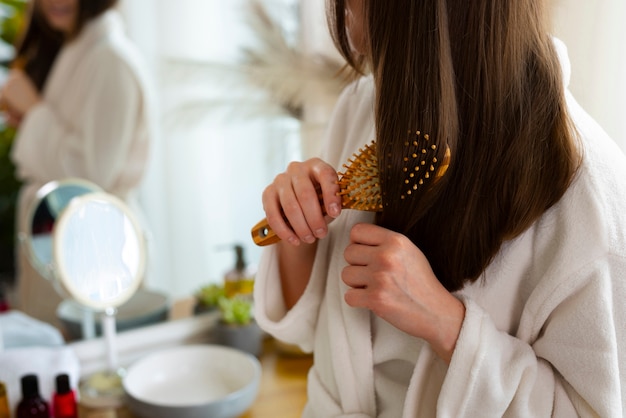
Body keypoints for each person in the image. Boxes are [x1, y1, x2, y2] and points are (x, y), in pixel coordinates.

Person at [253, 0, 626, 416]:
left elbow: (591, 409)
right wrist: (297, 231)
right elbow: (309, 331)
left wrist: (447, 324)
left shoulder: (591, 200)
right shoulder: (363, 105)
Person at [0, 0, 154, 328]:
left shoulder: (111, 60)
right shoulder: (72, 50)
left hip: (98, 248)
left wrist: (34, 110)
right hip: (67, 239)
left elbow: (92, 174)